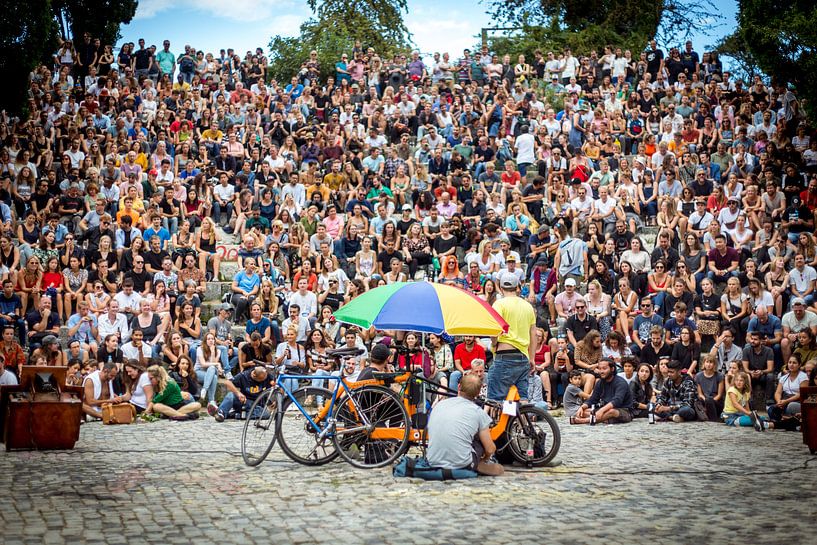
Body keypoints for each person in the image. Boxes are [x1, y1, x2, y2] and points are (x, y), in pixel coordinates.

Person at [426, 373, 504, 476]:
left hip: (432, 461)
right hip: (462, 463)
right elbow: (490, 448)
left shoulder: (440, 405)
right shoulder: (477, 412)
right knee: (499, 469)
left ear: (459, 386)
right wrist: (485, 459)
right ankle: (479, 465)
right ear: (478, 393)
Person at [488, 272, 536, 400]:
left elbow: (495, 329)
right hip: (523, 356)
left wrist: (493, 343)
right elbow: (533, 334)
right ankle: (524, 419)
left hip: (504, 355)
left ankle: (497, 419)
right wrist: (532, 358)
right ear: (517, 287)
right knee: (522, 398)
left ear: (501, 288)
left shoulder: (499, 304)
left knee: (495, 399)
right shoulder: (528, 306)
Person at [571, 359, 633, 424]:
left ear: (612, 369)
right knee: (584, 411)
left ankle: (585, 420)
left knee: (611, 411)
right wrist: (582, 407)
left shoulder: (620, 383)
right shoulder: (600, 382)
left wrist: (601, 411)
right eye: (600, 369)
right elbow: (593, 399)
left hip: (624, 411)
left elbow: (617, 401)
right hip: (605, 409)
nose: (601, 371)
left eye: (604, 368)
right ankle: (604, 419)